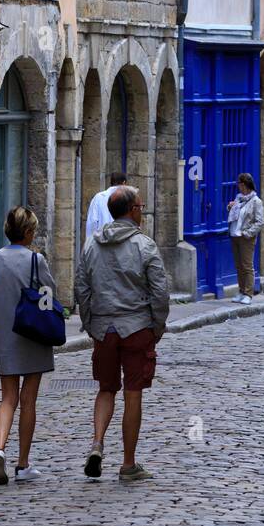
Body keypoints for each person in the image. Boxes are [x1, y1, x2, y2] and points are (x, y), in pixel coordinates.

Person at [75, 185, 170, 483]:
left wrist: (91, 323)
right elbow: (159, 292)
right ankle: (128, 463)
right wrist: (157, 326)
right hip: (136, 326)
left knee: (105, 389)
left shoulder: (92, 245)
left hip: (104, 327)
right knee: (132, 393)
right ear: (132, 211)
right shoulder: (145, 245)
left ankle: (97, 443)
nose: (142, 210)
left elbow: (82, 288)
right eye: (140, 206)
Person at [0, 206, 56, 485]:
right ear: (27, 232)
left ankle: (0, 447)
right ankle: (23, 463)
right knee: (28, 401)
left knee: (7, 398)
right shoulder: (36, 260)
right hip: (33, 335)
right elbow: (48, 296)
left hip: (5, 335)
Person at [227, 172, 264, 303]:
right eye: (239, 185)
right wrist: (230, 207)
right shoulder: (238, 199)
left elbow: (259, 222)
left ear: (247, 185)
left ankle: (248, 293)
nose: (239, 187)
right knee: (239, 266)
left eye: (241, 185)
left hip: (246, 237)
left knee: (247, 266)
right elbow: (235, 215)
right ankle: (241, 291)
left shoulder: (256, 201)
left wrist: (247, 233)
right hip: (234, 235)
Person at [84, 172, 127, 245]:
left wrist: (89, 245)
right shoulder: (128, 198)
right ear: (124, 183)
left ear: (111, 182)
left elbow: (92, 223)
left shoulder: (98, 197)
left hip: (101, 244)